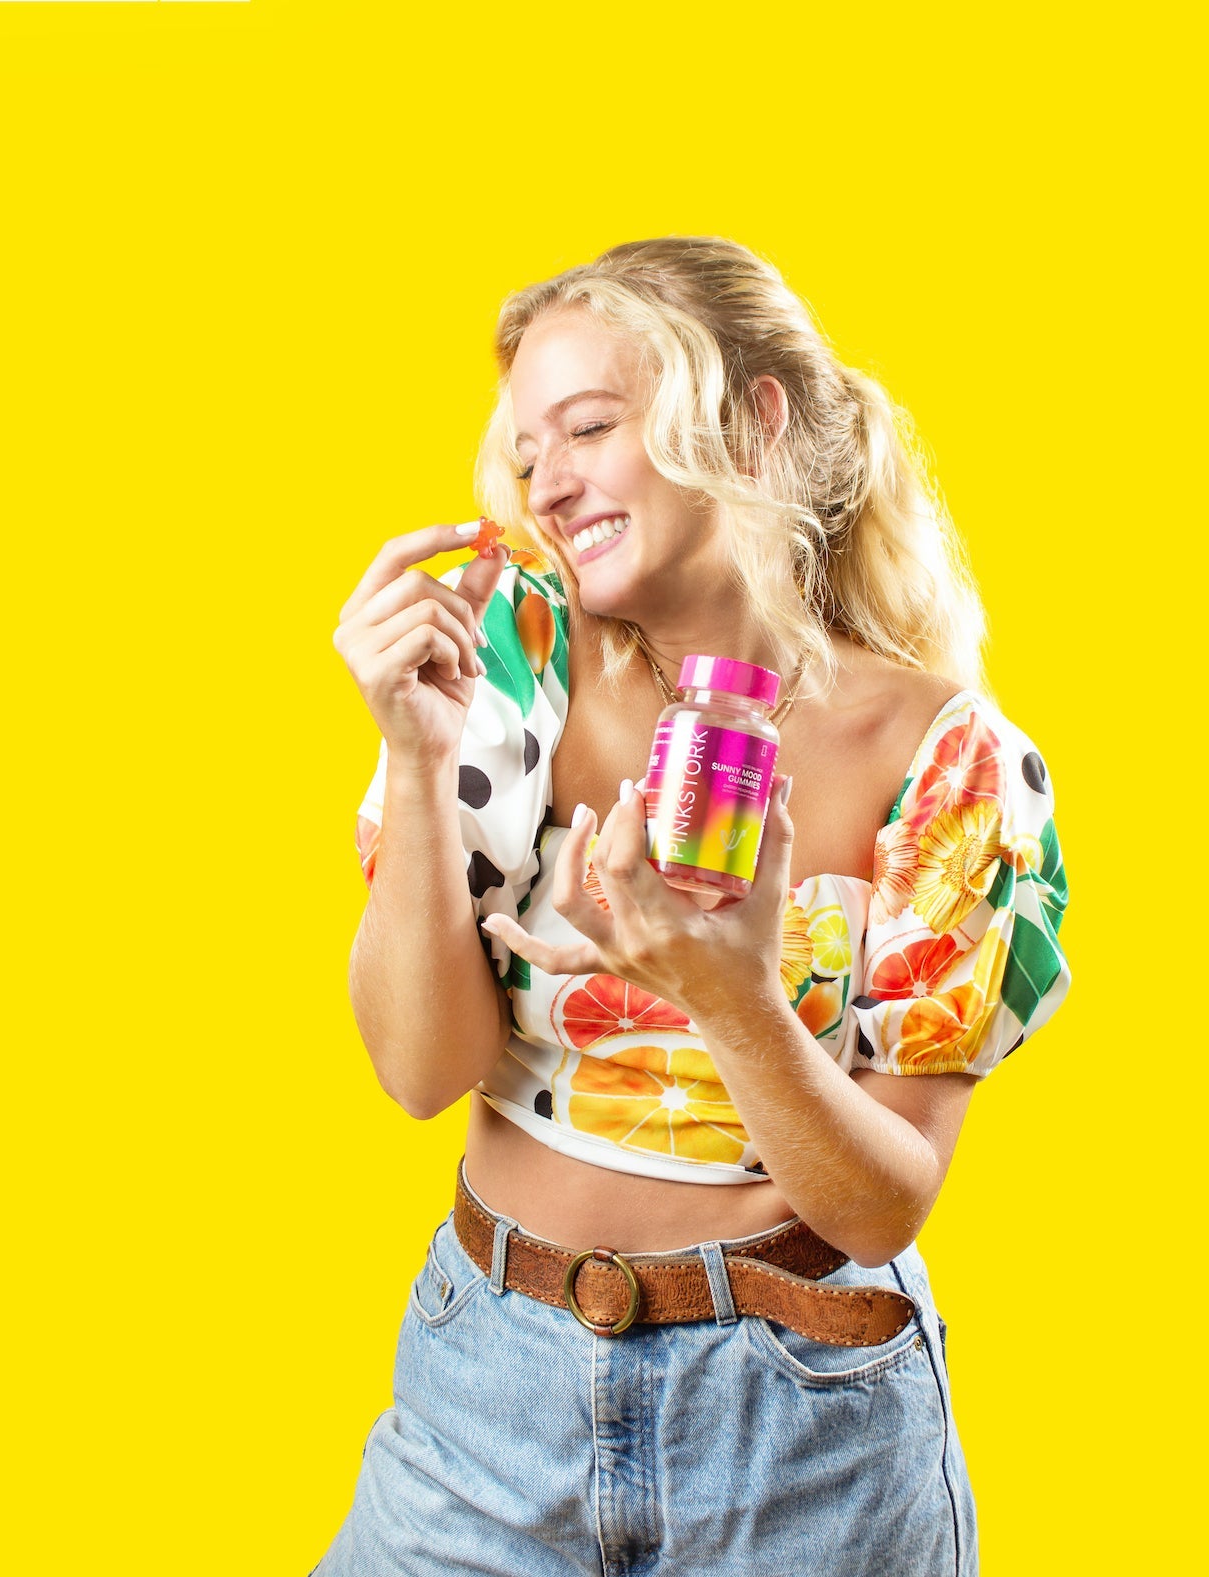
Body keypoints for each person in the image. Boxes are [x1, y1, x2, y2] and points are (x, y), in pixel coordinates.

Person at [316, 236, 1070, 1577]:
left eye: (589, 426)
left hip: (806, 1433)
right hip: (489, 1395)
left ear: (753, 417)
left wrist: (733, 996)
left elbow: (879, 1211)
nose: (549, 480)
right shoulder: (511, 659)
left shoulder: (945, 760)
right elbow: (418, 1070)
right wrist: (419, 761)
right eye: (528, 449)